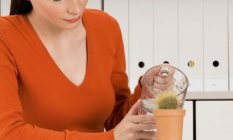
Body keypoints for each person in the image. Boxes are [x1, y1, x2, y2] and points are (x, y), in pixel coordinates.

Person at [0, 0, 173, 139]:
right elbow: (8, 134)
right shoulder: (5, 36)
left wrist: (148, 89)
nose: (75, 8)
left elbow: (116, 120)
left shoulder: (106, 27)